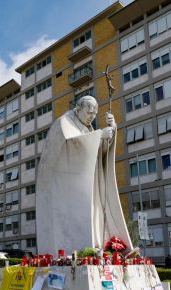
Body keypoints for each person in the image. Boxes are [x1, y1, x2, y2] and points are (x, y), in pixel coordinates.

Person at [36, 95, 132, 255]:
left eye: (95, 114)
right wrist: (99, 136)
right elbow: (69, 146)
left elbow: (99, 154)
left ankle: (97, 249)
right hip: (67, 189)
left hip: (89, 183)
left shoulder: (89, 129)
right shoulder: (63, 123)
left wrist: (112, 131)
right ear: (78, 109)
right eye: (89, 113)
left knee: (94, 215)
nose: (92, 117)